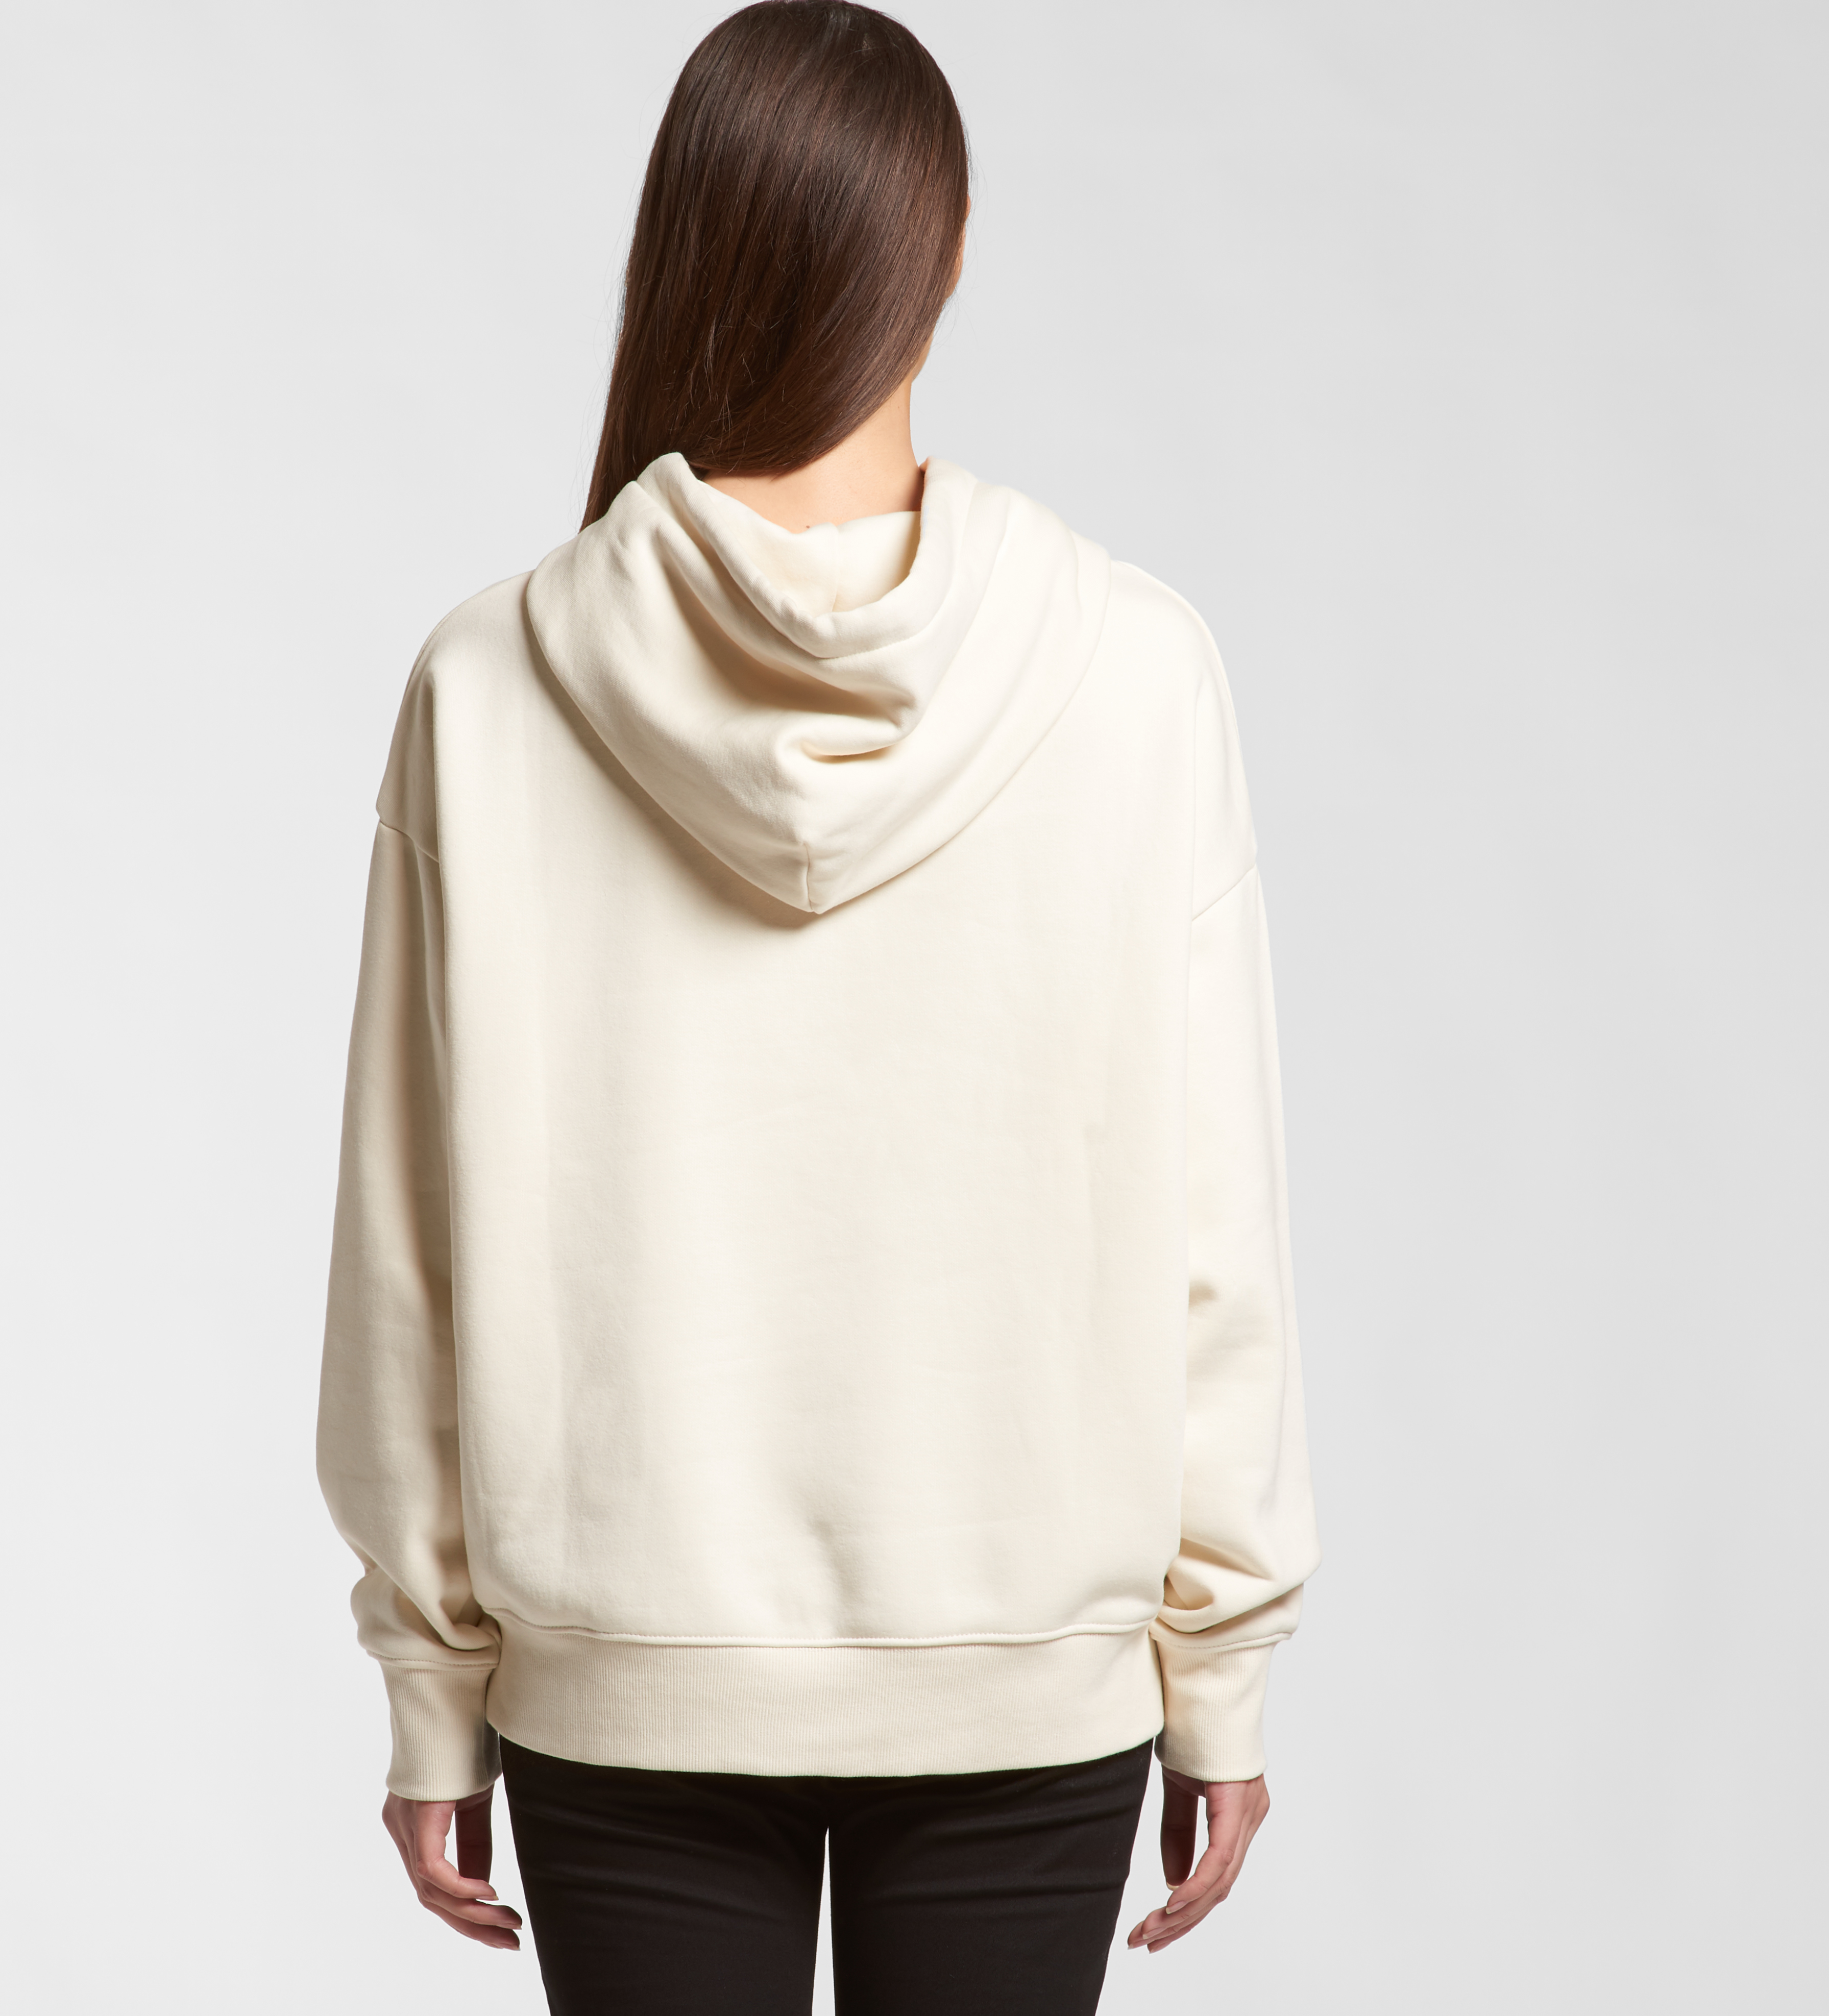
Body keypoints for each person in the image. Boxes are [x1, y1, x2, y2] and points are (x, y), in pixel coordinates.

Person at [316, 4, 1320, 2009]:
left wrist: (433, 1686)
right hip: (1025, 1679)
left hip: (623, 1679)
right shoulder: (1134, 671)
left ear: (681, 254)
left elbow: (403, 1249)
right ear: (944, 259)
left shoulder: (495, 683)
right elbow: (1215, 1229)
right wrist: (1218, 1664)